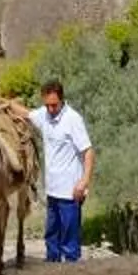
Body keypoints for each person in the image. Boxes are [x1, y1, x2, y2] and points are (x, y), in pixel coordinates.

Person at [27, 78, 95, 263]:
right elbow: (27, 114)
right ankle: (52, 270)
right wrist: (4, 103)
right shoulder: (44, 115)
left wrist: (84, 182)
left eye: (54, 105)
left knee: (70, 240)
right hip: (52, 190)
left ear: (62, 100)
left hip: (70, 192)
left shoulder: (73, 119)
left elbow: (88, 151)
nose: (50, 109)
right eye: (47, 105)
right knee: (52, 236)